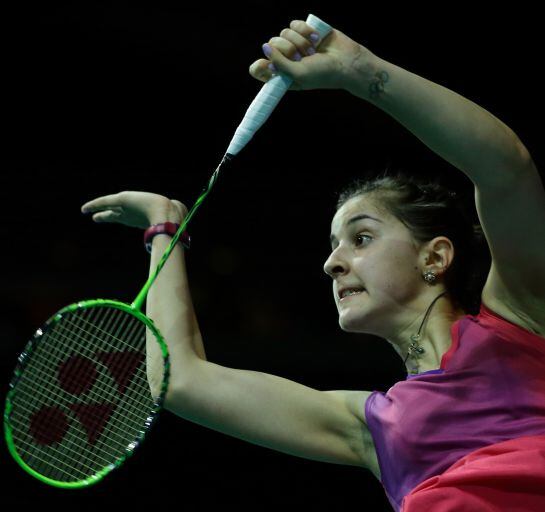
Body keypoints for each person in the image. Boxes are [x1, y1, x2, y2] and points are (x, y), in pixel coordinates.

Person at [81, 18, 545, 512]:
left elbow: (506, 169)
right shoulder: (372, 428)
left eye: (361, 238)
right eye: (333, 246)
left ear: (435, 256)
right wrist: (164, 230)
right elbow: (181, 381)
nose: (331, 264)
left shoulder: (520, 320)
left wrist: (359, 69)